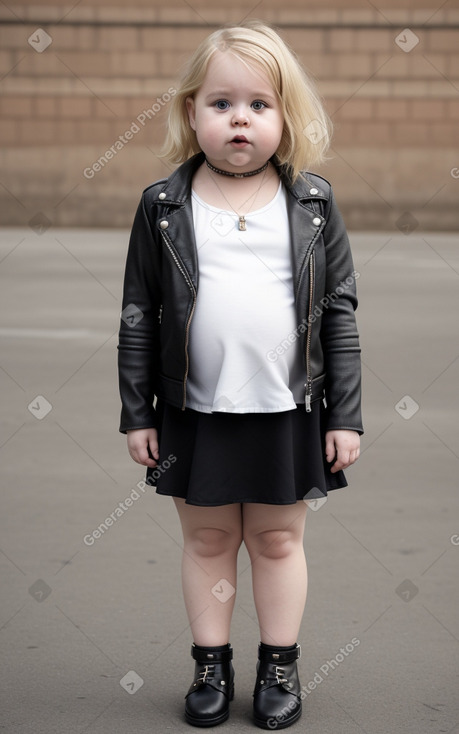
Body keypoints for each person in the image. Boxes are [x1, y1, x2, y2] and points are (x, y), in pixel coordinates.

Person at [118, 20, 363, 730]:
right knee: (205, 541)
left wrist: (344, 415)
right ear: (190, 112)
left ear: (285, 118)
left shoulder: (311, 204)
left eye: (259, 104)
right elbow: (139, 312)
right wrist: (138, 412)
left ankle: (279, 664)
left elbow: (339, 316)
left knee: (279, 540)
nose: (239, 119)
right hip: (193, 411)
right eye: (220, 103)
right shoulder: (163, 206)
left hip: (288, 408)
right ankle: (210, 665)